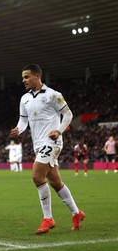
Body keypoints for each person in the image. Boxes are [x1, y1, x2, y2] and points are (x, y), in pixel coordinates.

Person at [10, 64, 85, 235]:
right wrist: (18, 130)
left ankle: (48, 218)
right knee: (55, 182)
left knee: (37, 176)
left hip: (52, 142)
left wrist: (58, 130)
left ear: (37, 76)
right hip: (38, 145)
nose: (24, 80)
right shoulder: (24, 99)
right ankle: (77, 213)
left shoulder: (53, 95)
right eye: (22, 77)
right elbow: (23, 121)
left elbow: (68, 115)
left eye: (27, 77)